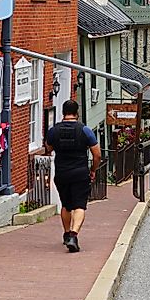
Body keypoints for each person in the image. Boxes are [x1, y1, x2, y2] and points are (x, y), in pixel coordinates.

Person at [42, 99, 102, 253]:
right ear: (77, 113)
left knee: (66, 205)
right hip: (80, 173)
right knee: (79, 206)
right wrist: (93, 170)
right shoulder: (85, 130)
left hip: (62, 173)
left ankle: (67, 233)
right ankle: (74, 235)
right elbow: (97, 155)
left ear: (63, 113)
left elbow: (48, 147)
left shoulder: (54, 131)